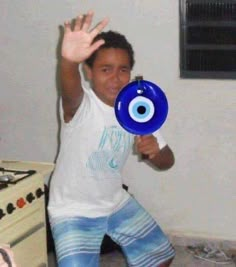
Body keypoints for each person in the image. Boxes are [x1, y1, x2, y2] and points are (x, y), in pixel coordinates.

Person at [48, 10, 175, 267]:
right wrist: (68, 62)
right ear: (89, 72)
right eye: (106, 69)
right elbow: (69, 89)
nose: (116, 78)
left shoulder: (137, 108)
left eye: (123, 70)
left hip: (115, 201)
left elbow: (167, 161)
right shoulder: (81, 106)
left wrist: (155, 151)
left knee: (161, 256)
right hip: (73, 210)